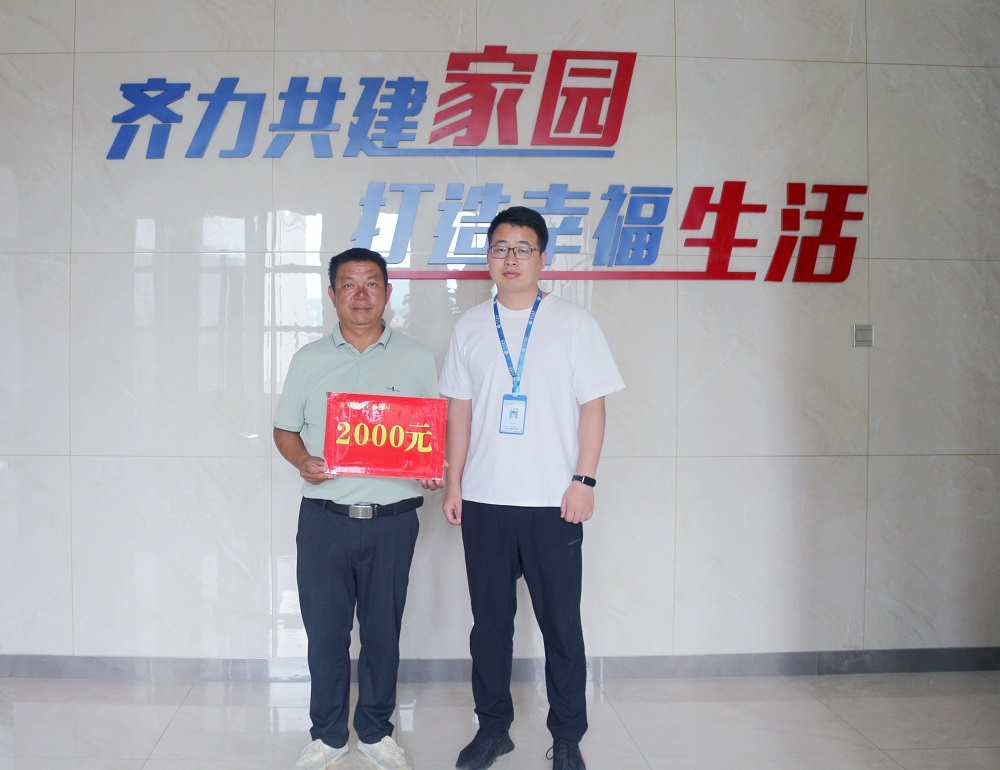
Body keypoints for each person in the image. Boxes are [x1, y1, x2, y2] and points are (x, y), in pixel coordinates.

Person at [439, 207, 625, 770]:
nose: (511, 258)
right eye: (500, 248)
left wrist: (584, 480)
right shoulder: (471, 326)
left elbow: (593, 408)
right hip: (485, 501)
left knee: (561, 626)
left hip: (553, 503)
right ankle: (493, 728)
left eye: (522, 248)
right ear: (488, 258)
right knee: (490, 627)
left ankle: (567, 735)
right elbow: (459, 412)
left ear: (543, 257)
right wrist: (454, 484)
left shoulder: (574, 323)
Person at [274, 248, 441, 770]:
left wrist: (431, 465)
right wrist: (302, 460)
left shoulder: (416, 358)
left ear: (388, 292)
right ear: (332, 295)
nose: (361, 294)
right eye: (349, 284)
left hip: (393, 521)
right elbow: (284, 430)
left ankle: (374, 731)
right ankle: (327, 736)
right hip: (325, 520)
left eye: (372, 283)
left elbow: (429, 430)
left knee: (382, 633)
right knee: (325, 633)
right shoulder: (308, 360)